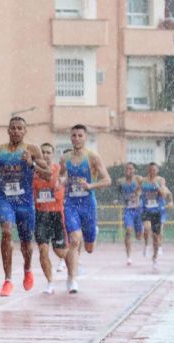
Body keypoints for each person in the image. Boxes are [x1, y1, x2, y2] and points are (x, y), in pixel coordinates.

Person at [0, 116, 49, 297]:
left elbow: (48, 175)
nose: (16, 131)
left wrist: (32, 163)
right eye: (13, 128)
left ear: (25, 131)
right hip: (5, 199)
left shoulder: (32, 149)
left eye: (20, 128)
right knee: (6, 231)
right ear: (8, 130)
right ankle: (8, 280)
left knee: (26, 243)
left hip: (25, 203)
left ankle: (27, 269)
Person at [59, 124, 111, 294]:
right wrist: (62, 181)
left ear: (85, 137)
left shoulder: (93, 157)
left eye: (80, 135)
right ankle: (72, 278)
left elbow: (107, 180)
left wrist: (90, 185)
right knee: (74, 240)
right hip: (71, 204)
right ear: (70, 138)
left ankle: (93, 231)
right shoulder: (65, 158)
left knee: (89, 248)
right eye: (73, 135)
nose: (76, 138)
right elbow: (61, 176)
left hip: (88, 204)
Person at [32, 143, 67, 295]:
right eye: (43, 152)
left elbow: (65, 178)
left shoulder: (58, 170)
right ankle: (50, 282)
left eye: (48, 152)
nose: (45, 155)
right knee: (43, 250)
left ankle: (72, 264)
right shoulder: (32, 172)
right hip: (41, 215)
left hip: (57, 214)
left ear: (52, 154)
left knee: (59, 251)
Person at [140, 162, 171, 271]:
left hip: (157, 211)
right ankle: (145, 245)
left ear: (157, 170)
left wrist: (157, 187)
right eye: (150, 169)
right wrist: (135, 198)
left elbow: (164, 194)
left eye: (154, 170)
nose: (152, 171)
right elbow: (137, 191)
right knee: (147, 228)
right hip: (146, 209)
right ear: (148, 170)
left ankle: (155, 259)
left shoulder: (160, 180)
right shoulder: (143, 180)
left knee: (156, 237)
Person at [116, 162, 143, 266]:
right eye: (127, 168)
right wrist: (116, 200)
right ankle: (129, 257)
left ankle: (141, 231)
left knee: (138, 236)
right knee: (128, 230)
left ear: (134, 170)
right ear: (124, 170)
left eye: (131, 169)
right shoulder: (120, 181)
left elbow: (144, 188)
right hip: (128, 210)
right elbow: (118, 193)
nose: (129, 170)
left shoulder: (139, 179)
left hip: (138, 210)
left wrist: (138, 194)